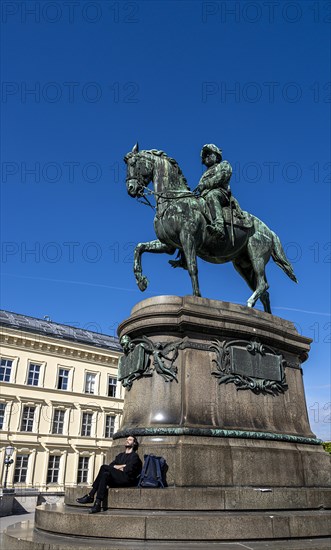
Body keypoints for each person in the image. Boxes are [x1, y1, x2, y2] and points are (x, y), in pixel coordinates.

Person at [76, 435, 142, 514]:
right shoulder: (120, 456)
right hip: (118, 479)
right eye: (127, 439)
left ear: (134, 443)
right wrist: (123, 466)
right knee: (105, 474)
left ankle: (91, 495)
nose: (127, 441)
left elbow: (129, 470)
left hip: (127, 480)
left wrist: (117, 467)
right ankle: (97, 504)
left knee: (104, 467)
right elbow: (111, 466)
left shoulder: (134, 456)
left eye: (130, 440)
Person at [195, 144, 233, 239]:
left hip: (221, 194)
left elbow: (222, 176)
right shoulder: (203, 175)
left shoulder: (223, 165)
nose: (207, 156)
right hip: (204, 197)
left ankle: (219, 227)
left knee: (212, 195)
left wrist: (205, 184)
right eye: (205, 155)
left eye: (209, 153)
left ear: (217, 156)